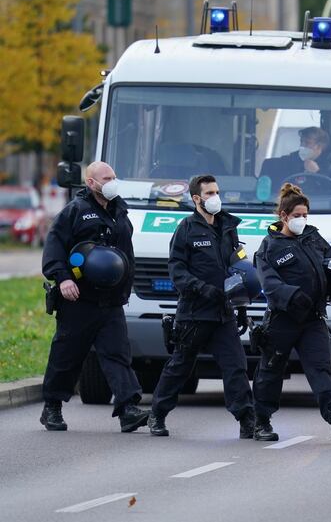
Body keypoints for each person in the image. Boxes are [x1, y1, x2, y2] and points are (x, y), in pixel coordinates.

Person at [40, 161, 149, 432]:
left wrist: (125, 288)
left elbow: (126, 255)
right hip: (79, 299)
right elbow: (53, 249)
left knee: (117, 355)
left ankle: (128, 409)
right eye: (106, 178)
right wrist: (63, 278)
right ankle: (52, 407)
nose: (113, 181)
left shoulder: (119, 210)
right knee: (67, 356)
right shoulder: (75, 212)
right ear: (91, 183)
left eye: (114, 176)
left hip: (110, 301)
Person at [251, 183, 331, 441]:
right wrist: (292, 296)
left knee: (322, 368)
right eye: (297, 215)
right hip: (283, 319)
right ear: (283, 216)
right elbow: (269, 284)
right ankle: (261, 422)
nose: (302, 220)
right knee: (271, 370)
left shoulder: (313, 238)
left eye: (305, 215)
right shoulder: (269, 247)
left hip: (313, 318)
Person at [147, 175, 255, 438]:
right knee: (180, 366)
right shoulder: (186, 229)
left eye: (217, 191)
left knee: (236, 366)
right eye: (209, 193)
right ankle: (157, 414)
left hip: (223, 312)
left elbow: (236, 266)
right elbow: (177, 270)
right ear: (196, 199)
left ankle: (246, 420)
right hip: (194, 312)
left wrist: (240, 304)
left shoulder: (228, 227)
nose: (215, 197)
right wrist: (202, 289)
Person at [261, 127, 331, 187]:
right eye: (301, 142)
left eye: (307, 143)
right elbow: (270, 164)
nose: (302, 146)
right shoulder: (294, 159)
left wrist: (317, 172)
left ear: (319, 146)